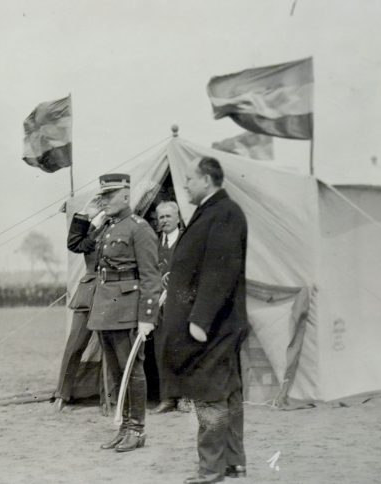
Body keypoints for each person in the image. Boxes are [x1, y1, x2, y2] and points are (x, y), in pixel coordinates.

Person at [158, 157, 249, 484]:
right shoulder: (214, 211)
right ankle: (232, 463)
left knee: (209, 393)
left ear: (208, 180)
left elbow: (219, 271)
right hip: (216, 324)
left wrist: (200, 320)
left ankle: (211, 470)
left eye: (190, 180)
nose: (186, 186)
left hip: (210, 326)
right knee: (227, 392)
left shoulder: (224, 212)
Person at [88, 173, 162, 453]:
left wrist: (147, 316)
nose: (104, 200)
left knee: (132, 370)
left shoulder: (139, 228)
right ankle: (124, 427)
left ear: (126, 196)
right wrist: (90, 215)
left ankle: (137, 429)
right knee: (117, 372)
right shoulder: (107, 227)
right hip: (106, 307)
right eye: (103, 195)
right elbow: (80, 245)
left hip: (128, 308)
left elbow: (151, 277)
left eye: (109, 195)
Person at [52, 196, 108, 411]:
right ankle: (62, 394)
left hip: (110, 294)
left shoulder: (121, 227)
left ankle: (108, 398)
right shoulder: (94, 230)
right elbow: (75, 243)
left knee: (109, 348)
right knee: (75, 344)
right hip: (88, 292)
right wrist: (85, 214)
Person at [148, 201, 188, 413]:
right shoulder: (153, 242)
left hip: (183, 304)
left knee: (183, 349)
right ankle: (167, 398)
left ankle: (184, 398)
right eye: (161, 217)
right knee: (161, 349)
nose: (164, 221)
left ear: (177, 217)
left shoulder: (187, 240)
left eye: (168, 216)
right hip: (160, 305)